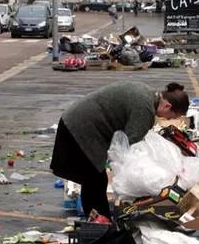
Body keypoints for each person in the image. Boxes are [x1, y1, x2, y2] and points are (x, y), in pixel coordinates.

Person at [50, 82, 190, 219]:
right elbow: (129, 147)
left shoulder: (148, 93)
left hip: (76, 121)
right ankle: (100, 222)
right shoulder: (145, 109)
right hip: (81, 128)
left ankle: (98, 219)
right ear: (167, 105)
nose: (166, 119)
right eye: (170, 116)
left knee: (93, 179)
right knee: (95, 180)